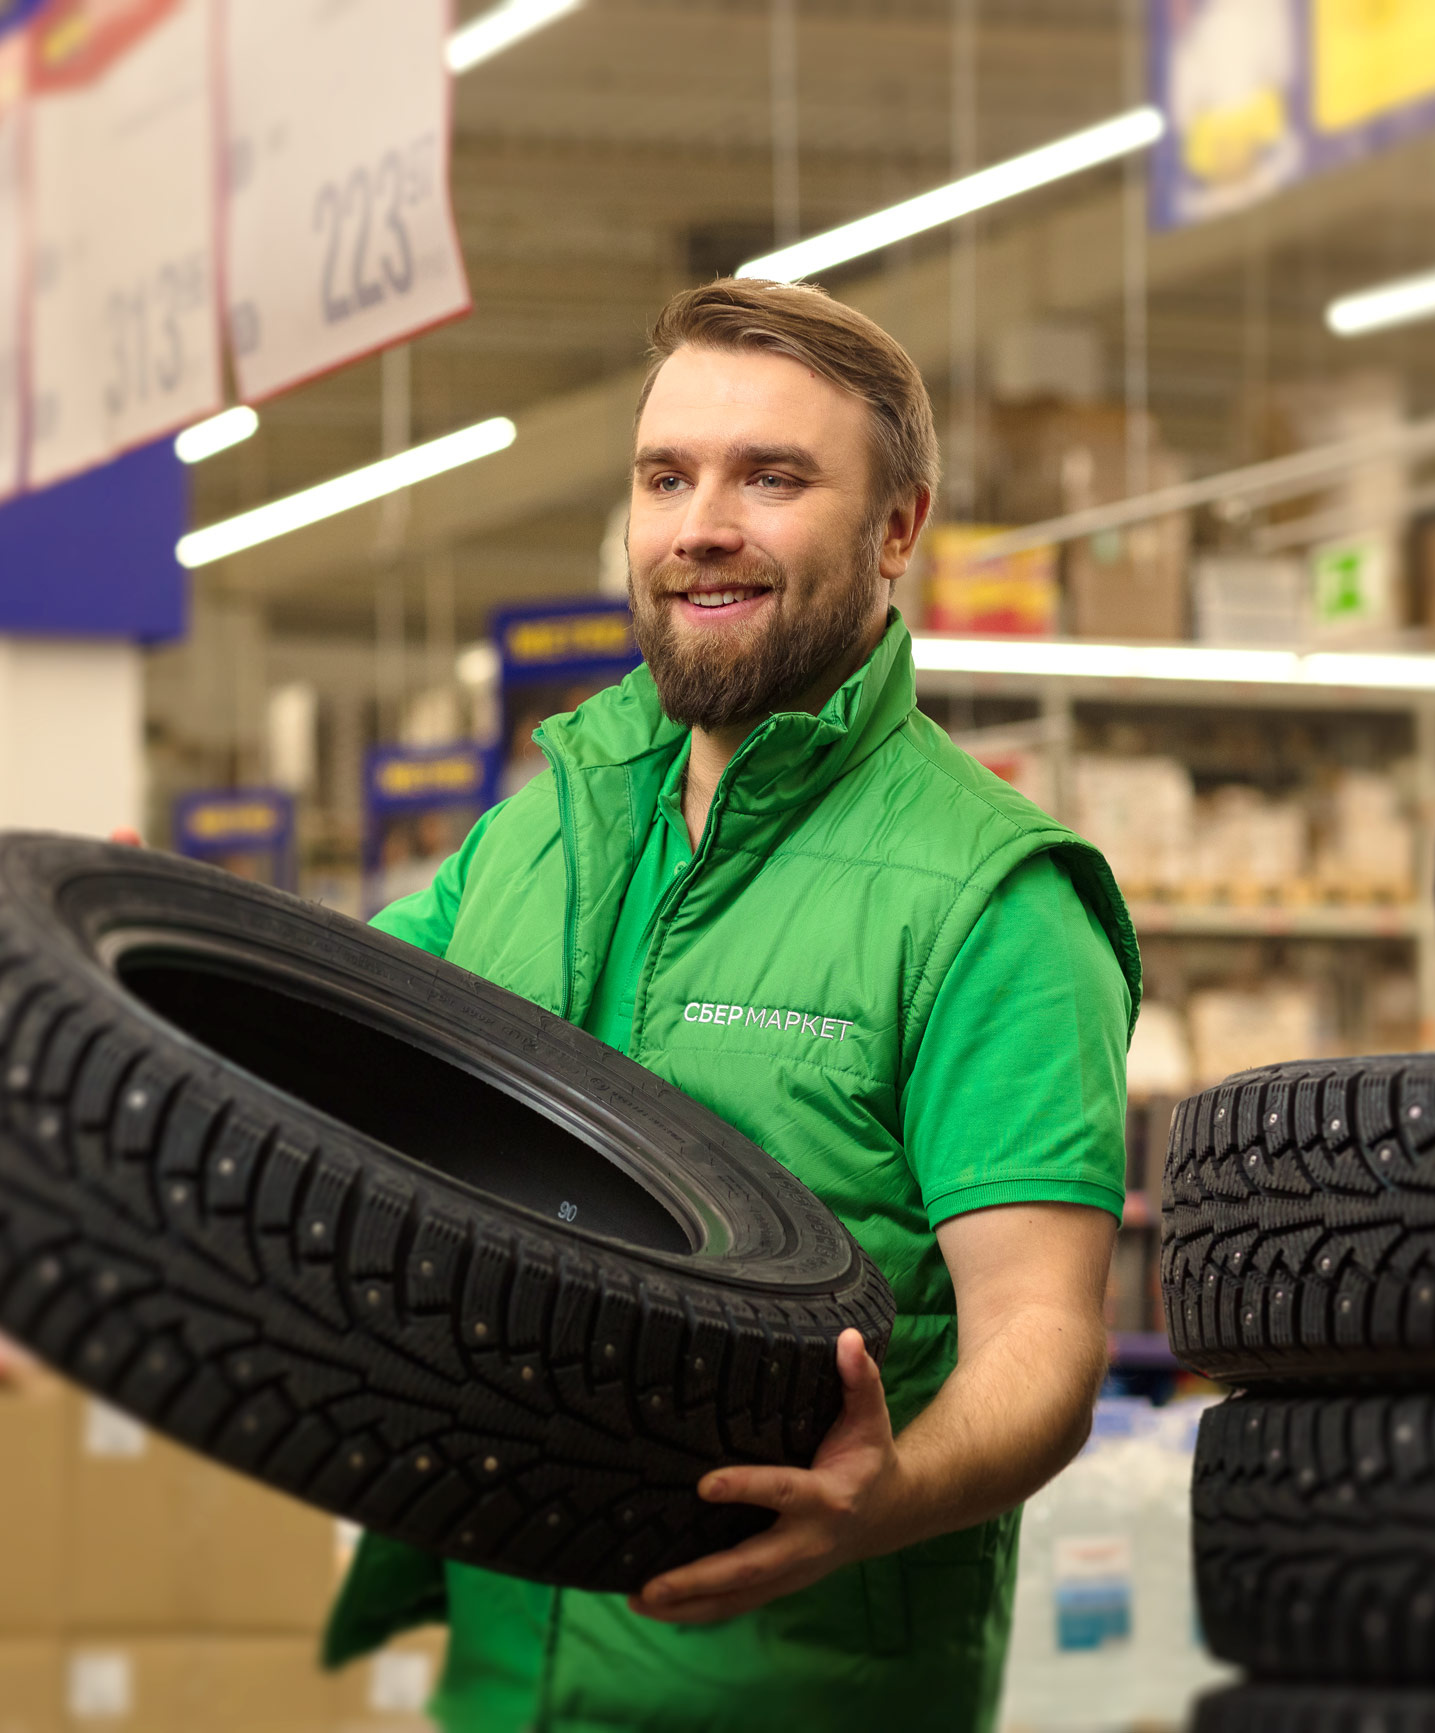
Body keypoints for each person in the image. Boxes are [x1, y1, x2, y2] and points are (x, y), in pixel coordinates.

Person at [324, 278, 1139, 1731]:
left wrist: (889, 1495)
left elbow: (1043, 1333)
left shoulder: (991, 896)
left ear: (896, 528)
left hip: (788, 1689)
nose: (702, 521)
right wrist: (157, 985)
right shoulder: (546, 826)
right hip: (503, 1689)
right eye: (666, 476)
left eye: (772, 477)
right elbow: (344, 1041)